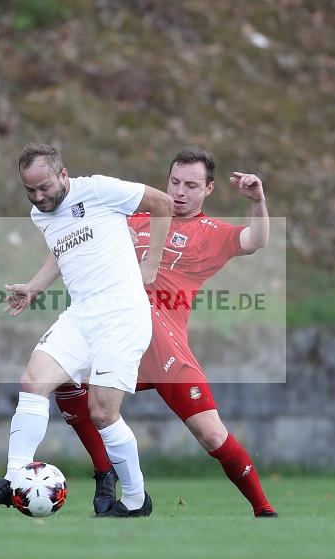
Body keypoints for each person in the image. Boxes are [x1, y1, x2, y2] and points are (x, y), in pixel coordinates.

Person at [54, 148, 278, 517]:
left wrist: (258, 201)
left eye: (191, 185)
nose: (180, 191)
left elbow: (257, 240)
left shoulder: (212, 233)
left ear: (208, 189)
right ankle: (104, 472)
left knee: (211, 434)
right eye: (175, 182)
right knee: (64, 378)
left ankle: (263, 509)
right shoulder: (138, 218)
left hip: (164, 346)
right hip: (119, 334)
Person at [0, 142, 173, 518]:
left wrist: (152, 262)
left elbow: (162, 203)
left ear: (63, 175)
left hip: (122, 313)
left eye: (44, 187)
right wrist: (34, 287)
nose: (38, 197)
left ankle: (135, 500)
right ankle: (15, 476)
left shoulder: (98, 189)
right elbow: (62, 250)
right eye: (30, 190)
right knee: (33, 381)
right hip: (82, 314)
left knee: (102, 413)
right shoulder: (41, 214)